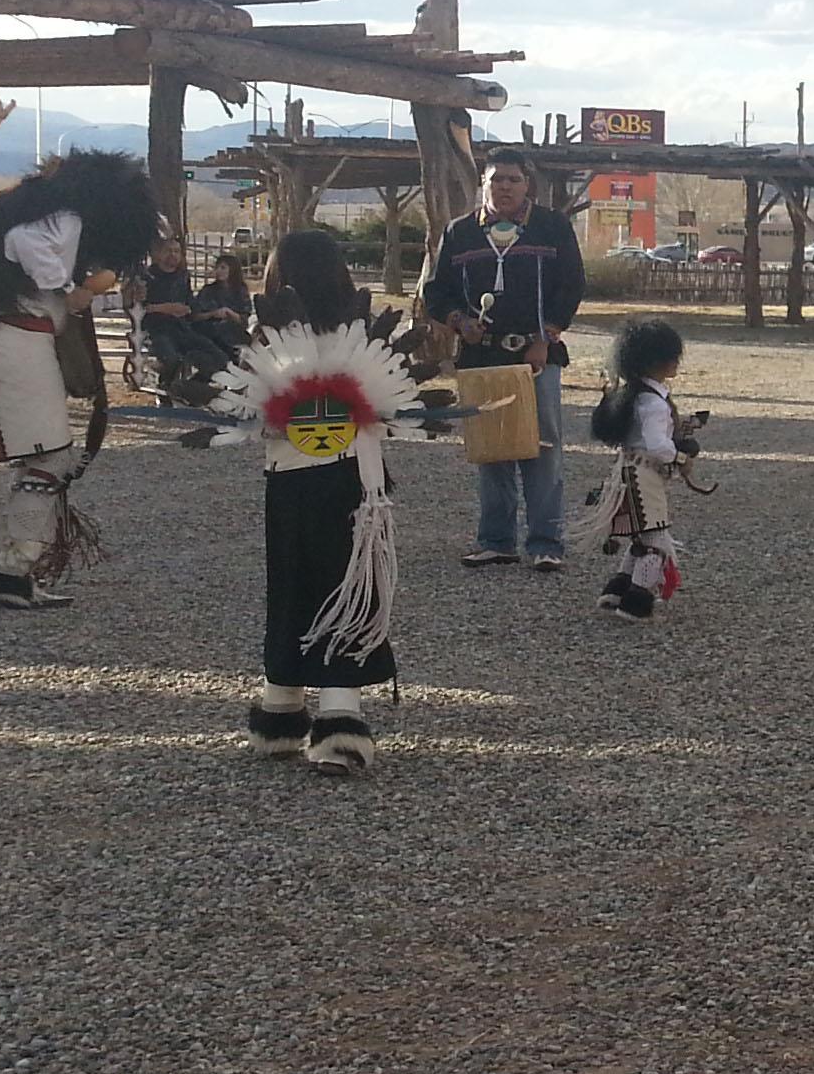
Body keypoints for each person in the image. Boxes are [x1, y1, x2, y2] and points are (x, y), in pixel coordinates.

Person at [214, 228, 411, 777]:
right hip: (353, 482)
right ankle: (337, 718)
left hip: (291, 481)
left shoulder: (267, 336)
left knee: (293, 580)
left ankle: (284, 707)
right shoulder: (362, 336)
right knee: (342, 584)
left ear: (279, 280)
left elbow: (248, 411)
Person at [0, 149, 162, 611]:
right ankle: (12, 570)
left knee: (43, 456)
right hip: (18, 338)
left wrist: (77, 291)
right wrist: (68, 288)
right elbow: (26, 244)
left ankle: (13, 563)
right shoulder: (66, 218)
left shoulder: (53, 213)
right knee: (50, 458)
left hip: (20, 336)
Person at [424, 154, 586, 570]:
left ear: (527, 184)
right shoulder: (460, 233)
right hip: (482, 355)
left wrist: (545, 336)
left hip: (537, 356)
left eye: (513, 180)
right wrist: (459, 322)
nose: (506, 188)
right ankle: (496, 540)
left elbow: (571, 286)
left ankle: (546, 543)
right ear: (484, 183)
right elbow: (436, 291)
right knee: (491, 445)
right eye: (497, 180)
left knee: (543, 446)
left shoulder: (553, 227)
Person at [592, 317, 697, 619]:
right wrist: (679, 457)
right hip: (645, 475)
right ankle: (636, 599)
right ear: (655, 361)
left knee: (641, 536)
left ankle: (618, 587)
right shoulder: (654, 405)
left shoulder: (634, 398)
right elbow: (656, 445)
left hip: (628, 471)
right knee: (655, 540)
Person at [131, 232, 231, 402]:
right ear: (159, 254)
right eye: (169, 251)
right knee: (171, 359)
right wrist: (165, 308)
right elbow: (137, 307)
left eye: (177, 251)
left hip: (182, 329)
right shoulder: (147, 277)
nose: (173, 255)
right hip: (157, 330)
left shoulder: (183, 277)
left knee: (220, 358)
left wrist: (195, 310)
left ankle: (187, 388)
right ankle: (164, 391)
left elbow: (191, 303)